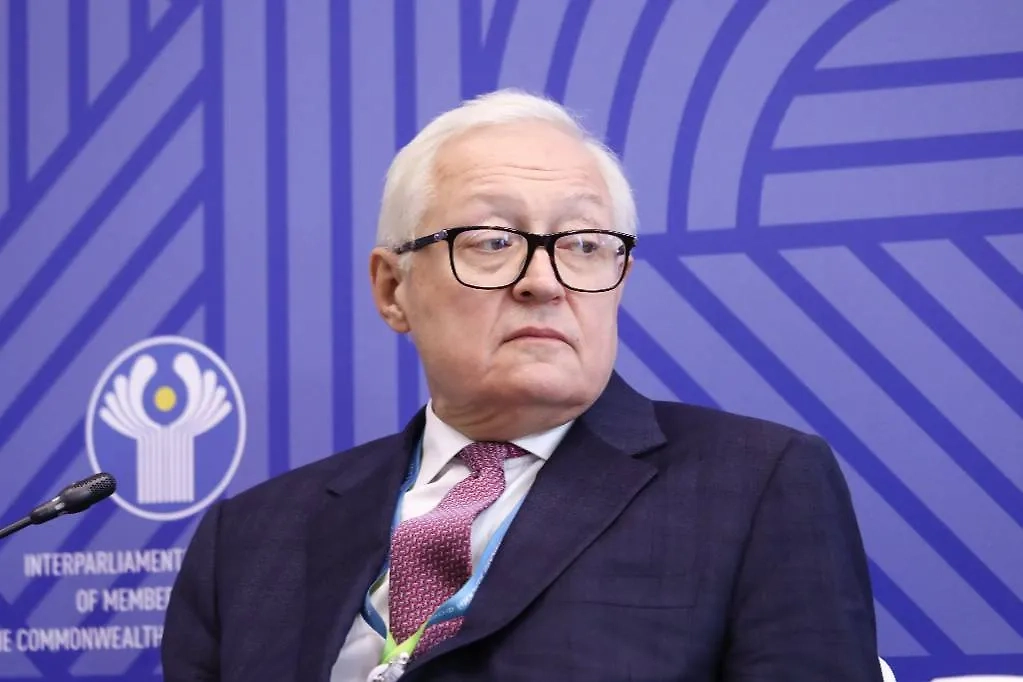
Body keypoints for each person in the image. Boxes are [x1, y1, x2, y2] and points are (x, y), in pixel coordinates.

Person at [162, 89, 882, 681]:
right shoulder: (251, 539)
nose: (544, 281)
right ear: (392, 288)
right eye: (493, 241)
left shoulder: (754, 484)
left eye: (584, 244)